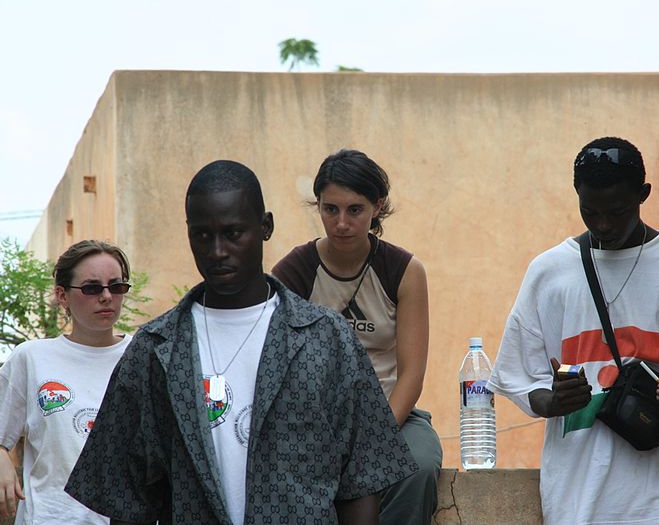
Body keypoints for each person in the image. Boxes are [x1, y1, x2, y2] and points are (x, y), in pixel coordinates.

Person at [65, 159, 416, 525]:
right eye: (202, 235)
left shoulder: (326, 340)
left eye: (233, 233)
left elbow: (360, 482)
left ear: (265, 227)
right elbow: (126, 496)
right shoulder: (155, 349)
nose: (217, 251)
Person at [487, 137, 659, 525]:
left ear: (643, 194)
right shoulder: (548, 273)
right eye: (590, 211)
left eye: (617, 211)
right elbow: (521, 380)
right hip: (575, 502)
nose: (603, 225)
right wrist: (554, 401)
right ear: (577, 197)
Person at [272, 149, 442, 524]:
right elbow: (278, 370)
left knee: (420, 464)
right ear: (318, 207)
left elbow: (411, 374)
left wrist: (373, 437)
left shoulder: (404, 270)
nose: (342, 223)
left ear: (377, 207)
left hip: (391, 413)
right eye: (330, 209)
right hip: (313, 422)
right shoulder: (293, 272)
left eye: (355, 210)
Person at [0, 240, 134, 523]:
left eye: (117, 286)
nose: (107, 296)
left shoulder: (144, 357)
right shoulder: (32, 358)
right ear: (62, 296)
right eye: (92, 288)